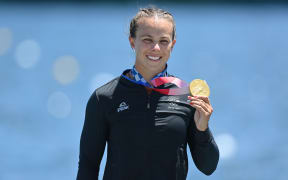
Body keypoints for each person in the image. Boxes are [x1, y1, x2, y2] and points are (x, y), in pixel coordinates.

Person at [76, 7, 219, 180]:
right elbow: (88, 165)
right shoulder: (104, 98)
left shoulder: (187, 96)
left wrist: (202, 129)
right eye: (147, 40)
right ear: (132, 41)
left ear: (172, 45)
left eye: (164, 41)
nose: (156, 48)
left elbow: (208, 167)